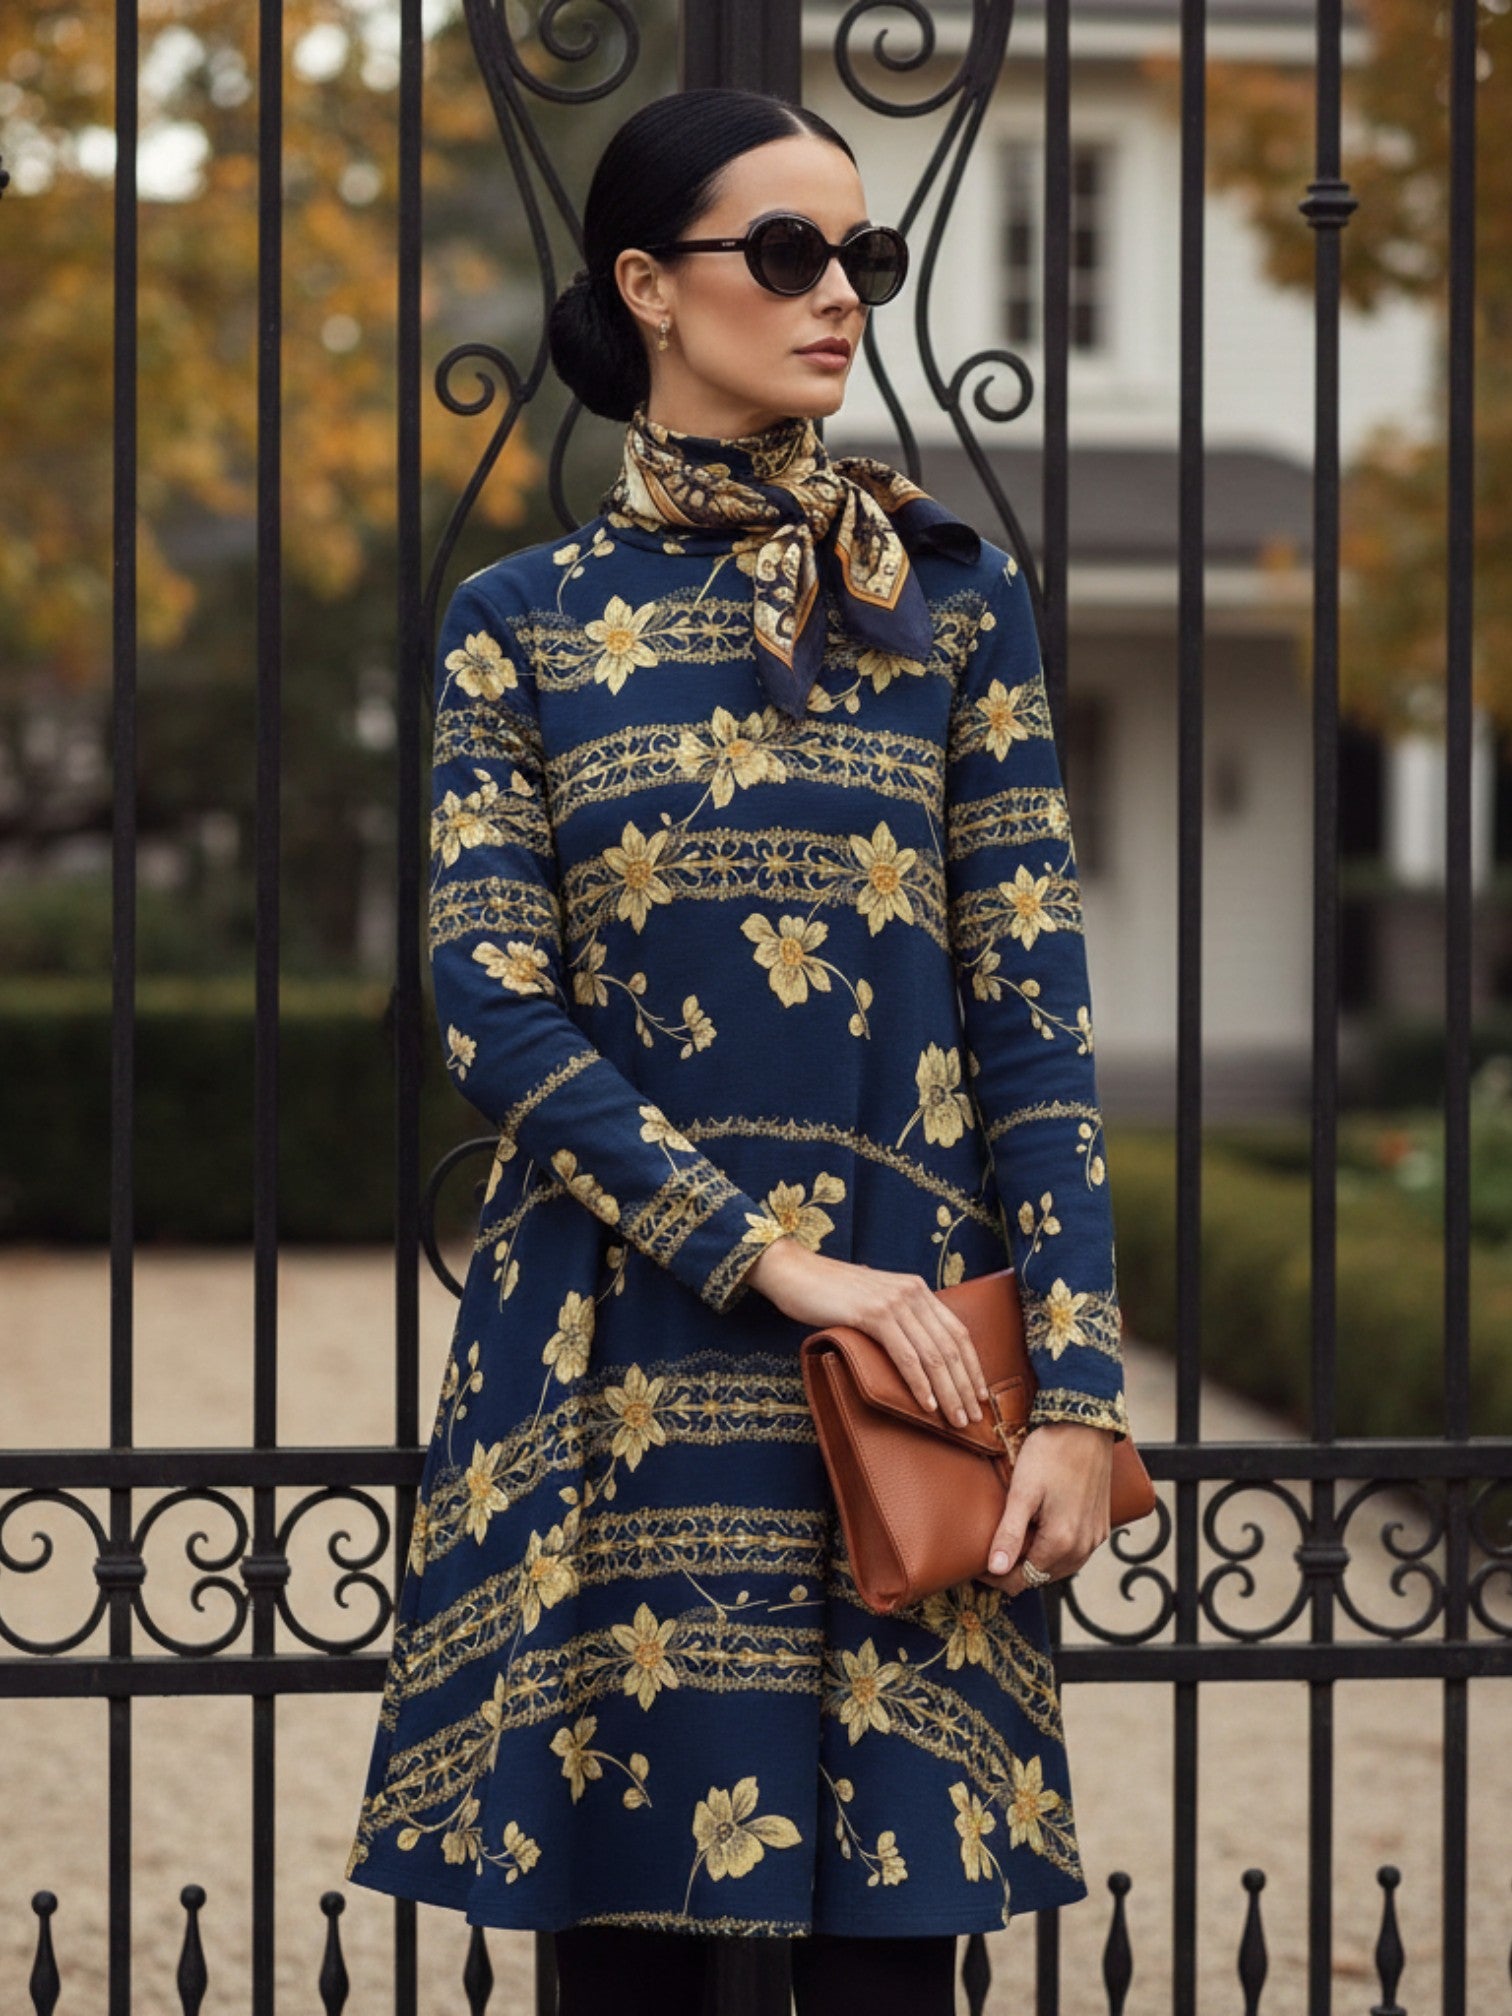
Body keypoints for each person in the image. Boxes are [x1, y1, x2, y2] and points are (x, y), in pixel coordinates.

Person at [343, 84, 1129, 2016]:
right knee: (629, 1970)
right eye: (787, 252)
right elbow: (490, 1002)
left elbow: (1036, 1016)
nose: (840, 293)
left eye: (863, 254)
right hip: (620, 1365)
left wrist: (1081, 1393)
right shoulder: (519, 627)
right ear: (648, 286)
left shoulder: (948, 601)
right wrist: (772, 1259)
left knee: (889, 1982)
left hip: (912, 1374)